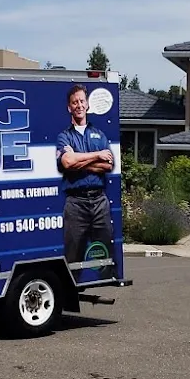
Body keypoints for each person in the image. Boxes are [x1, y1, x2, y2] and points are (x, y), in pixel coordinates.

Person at [55, 83, 115, 274]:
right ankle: (71, 295)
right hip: (76, 204)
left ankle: (106, 279)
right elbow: (67, 163)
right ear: (69, 108)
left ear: (87, 104)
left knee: (105, 254)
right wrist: (97, 155)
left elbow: (109, 166)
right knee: (73, 257)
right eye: (74, 102)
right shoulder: (64, 137)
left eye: (82, 101)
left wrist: (79, 160)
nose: (79, 105)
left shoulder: (99, 134)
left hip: (99, 201)